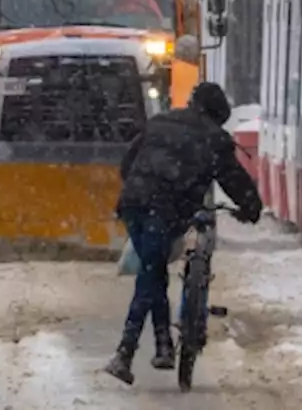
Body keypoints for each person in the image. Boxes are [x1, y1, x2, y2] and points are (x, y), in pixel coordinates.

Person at [104, 82, 263, 385]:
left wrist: (142, 186)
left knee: (153, 271)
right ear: (218, 114)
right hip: (164, 210)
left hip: (133, 205)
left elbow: (127, 165)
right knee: (151, 274)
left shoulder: (159, 122)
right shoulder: (214, 138)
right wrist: (251, 208)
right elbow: (234, 179)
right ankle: (125, 351)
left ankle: (163, 344)